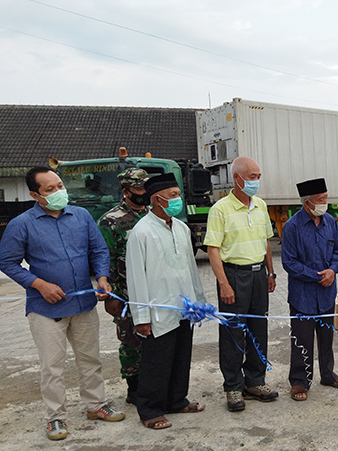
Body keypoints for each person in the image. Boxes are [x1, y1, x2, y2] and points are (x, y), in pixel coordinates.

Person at [0, 166, 125, 441]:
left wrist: (102, 278)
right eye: (50, 189)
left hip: (83, 305)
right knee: (52, 366)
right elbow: (7, 262)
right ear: (35, 195)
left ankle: (96, 405)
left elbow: (98, 250)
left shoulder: (80, 216)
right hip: (46, 310)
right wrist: (39, 284)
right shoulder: (21, 224)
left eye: (59, 186)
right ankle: (56, 418)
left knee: (90, 360)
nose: (59, 192)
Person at [126, 173, 207, 429]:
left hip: (184, 307)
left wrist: (199, 302)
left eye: (178, 194)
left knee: (181, 357)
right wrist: (141, 317)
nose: (178, 199)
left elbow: (191, 269)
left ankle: (176, 400)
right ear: (156, 199)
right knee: (156, 362)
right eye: (172, 195)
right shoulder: (141, 232)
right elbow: (136, 277)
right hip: (158, 310)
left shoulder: (182, 228)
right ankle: (150, 410)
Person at [205, 156, 279, 411]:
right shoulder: (221, 209)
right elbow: (213, 249)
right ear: (237, 179)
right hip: (234, 276)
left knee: (259, 329)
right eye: (251, 177)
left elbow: (267, 241)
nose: (256, 182)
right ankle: (233, 387)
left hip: (259, 275)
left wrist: (271, 272)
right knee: (233, 333)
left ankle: (255, 381)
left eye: (258, 177)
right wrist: (224, 283)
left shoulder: (260, 205)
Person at [281, 178, 338, 401]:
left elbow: (337, 251)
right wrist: (316, 276)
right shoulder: (292, 227)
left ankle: (328, 374)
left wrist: (332, 270)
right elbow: (289, 263)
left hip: (327, 292)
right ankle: (300, 381)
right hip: (303, 295)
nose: (324, 203)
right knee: (302, 340)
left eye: (326, 198)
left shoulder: (330, 221)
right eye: (320, 200)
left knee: (326, 338)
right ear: (307, 202)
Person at [97, 167, 149, 404]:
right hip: (126, 293)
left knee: (156, 339)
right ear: (126, 191)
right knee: (130, 341)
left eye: (145, 186)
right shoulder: (111, 220)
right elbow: (104, 259)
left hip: (153, 290)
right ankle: (135, 388)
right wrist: (110, 297)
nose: (144, 191)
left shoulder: (153, 215)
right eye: (139, 188)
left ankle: (155, 382)